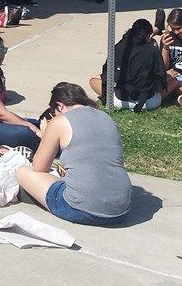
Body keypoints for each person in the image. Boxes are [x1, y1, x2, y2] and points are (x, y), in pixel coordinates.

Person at [14, 83, 133, 226]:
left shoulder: (59, 121)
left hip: (81, 208)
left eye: (53, 113)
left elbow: (39, 167)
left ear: (60, 106)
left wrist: (46, 135)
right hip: (122, 209)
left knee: (22, 172)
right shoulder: (106, 118)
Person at [90, 19, 166, 110]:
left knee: (93, 80)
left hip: (120, 101)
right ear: (148, 36)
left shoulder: (118, 47)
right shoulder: (152, 51)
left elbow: (107, 74)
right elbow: (160, 82)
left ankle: (156, 28)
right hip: (147, 103)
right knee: (172, 80)